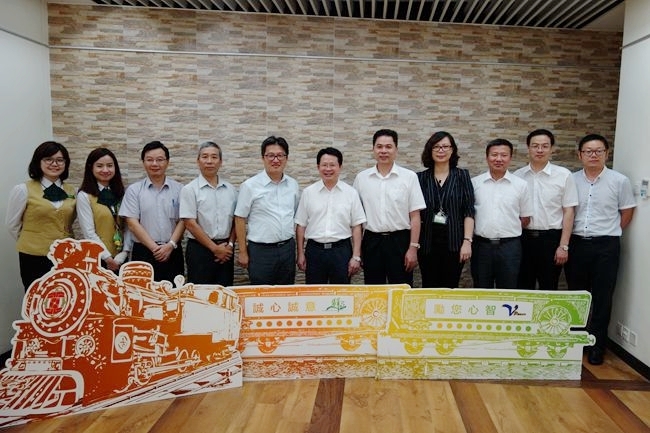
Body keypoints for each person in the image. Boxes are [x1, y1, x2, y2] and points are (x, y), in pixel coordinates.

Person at [565, 133, 635, 365]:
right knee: (577, 295)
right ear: (580, 155)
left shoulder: (619, 181)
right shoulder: (571, 179)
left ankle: (597, 345)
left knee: (603, 296)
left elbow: (627, 211)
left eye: (598, 151)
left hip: (606, 245)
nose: (593, 155)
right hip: (577, 244)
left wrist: (611, 231)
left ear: (607, 153)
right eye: (588, 151)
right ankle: (576, 342)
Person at [353, 129, 426, 286]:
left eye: (388, 146)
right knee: (373, 290)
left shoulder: (409, 177)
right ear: (373, 149)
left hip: (400, 241)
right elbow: (356, 219)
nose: (383, 151)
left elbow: (415, 216)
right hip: (372, 241)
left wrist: (413, 248)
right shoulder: (362, 178)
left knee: (401, 289)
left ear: (396, 149)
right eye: (379, 146)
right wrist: (357, 253)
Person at [6, 141, 76, 291]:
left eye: (59, 160)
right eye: (48, 159)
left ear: (66, 163)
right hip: (33, 256)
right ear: (38, 162)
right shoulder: (23, 189)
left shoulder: (72, 191)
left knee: (65, 296)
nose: (54, 164)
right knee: (37, 297)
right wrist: (31, 240)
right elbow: (12, 224)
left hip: (65, 256)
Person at [513, 129, 578, 290]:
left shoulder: (563, 175)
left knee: (549, 287)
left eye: (544, 146)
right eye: (535, 146)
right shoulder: (518, 176)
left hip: (551, 239)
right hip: (523, 239)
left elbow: (569, 211)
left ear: (552, 149)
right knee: (522, 287)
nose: (540, 150)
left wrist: (563, 246)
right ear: (528, 148)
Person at [234, 136, 300, 285]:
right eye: (270, 155)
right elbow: (239, 218)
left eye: (280, 155)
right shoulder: (250, 186)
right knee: (261, 293)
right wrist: (242, 252)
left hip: (287, 249)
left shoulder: (293, 185)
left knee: (286, 293)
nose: (275, 160)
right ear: (263, 158)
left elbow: (295, 215)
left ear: (286, 158)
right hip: (260, 252)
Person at [295, 147, 366, 284]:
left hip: (341, 251)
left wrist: (356, 256)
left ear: (340, 167)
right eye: (324, 165)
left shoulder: (351, 193)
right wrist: (300, 253)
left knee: (341, 293)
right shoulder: (308, 193)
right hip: (314, 251)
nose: (328, 169)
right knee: (314, 293)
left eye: (332, 165)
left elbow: (357, 226)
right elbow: (301, 225)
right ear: (318, 167)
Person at [119, 141, 185, 283]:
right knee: (142, 293)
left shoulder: (179, 189)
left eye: (160, 159)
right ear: (143, 162)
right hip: (144, 251)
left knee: (174, 293)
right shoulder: (134, 190)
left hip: (172, 250)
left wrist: (170, 245)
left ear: (167, 162)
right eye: (150, 160)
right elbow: (132, 223)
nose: (155, 164)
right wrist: (155, 248)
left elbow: (184, 220)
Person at [471, 138, 533, 289]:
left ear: (510, 158)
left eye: (504, 155)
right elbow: (469, 215)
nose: (498, 159)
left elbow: (525, 218)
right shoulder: (474, 183)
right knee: (481, 289)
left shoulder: (521, 185)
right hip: (481, 247)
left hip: (510, 248)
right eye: (494, 155)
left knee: (508, 290)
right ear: (487, 157)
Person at [417, 131, 475, 288]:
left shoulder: (462, 176)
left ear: (452, 150)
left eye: (445, 146)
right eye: (436, 147)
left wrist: (467, 241)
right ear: (430, 150)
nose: (441, 150)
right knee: (429, 286)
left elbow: (469, 211)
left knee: (450, 287)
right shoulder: (420, 178)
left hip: (454, 243)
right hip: (427, 244)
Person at [180, 141, 237, 286]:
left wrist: (230, 245)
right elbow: (190, 224)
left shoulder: (231, 190)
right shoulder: (189, 189)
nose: (209, 161)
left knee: (225, 293)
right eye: (205, 157)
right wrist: (214, 248)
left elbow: (237, 221)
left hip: (226, 249)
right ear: (198, 161)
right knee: (200, 294)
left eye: (214, 157)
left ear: (221, 162)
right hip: (200, 250)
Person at [77, 148, 131, 273]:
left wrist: (124, 253)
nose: (105, 170)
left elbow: (129, 225)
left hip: (122, 258)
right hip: (98, 258)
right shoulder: (84, 196)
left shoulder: (121, 193)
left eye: (110, 166)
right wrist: (107, 258)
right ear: (91, 168)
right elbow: (89, 232)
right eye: (99, 166)